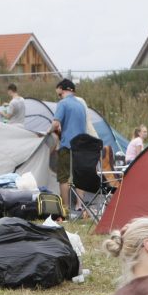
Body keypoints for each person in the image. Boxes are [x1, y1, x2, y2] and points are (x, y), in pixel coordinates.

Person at [51, 78, 88, 213]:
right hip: (82, 144)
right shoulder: (80, 105)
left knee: (64, 177)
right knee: (79, 177)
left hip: (67, 145)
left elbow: (56, 124)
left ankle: (66, 208)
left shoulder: (63, 103)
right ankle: (79, 206)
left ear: (62, 89)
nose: (58, 96)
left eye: (59, 94)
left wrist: (46, 132)